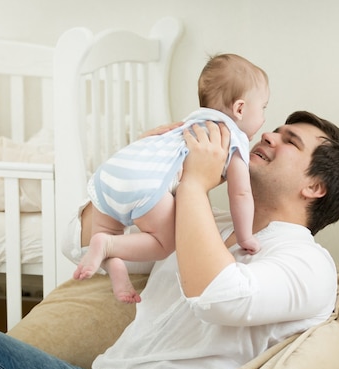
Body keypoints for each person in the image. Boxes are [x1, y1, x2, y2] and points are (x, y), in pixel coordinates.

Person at [0, 110, 339, 369]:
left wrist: (192, 184)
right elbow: (79, 243)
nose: (267, 135)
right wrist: (129, 176)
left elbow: (219, 297)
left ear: (315, 187)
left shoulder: (308, 263)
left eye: (290, 141)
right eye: (275, 129)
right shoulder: (206, 219)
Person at [73, 53, 269, 303]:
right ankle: (107, 245)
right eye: (263, 108)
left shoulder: (188, 122)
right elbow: (240, 193)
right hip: (147, 188)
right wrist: (245, 236)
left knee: (109, 230)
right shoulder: (232, 136)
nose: (263, 119)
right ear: (240, 108)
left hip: (112, 172)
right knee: (164, 243)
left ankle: (115, 268)